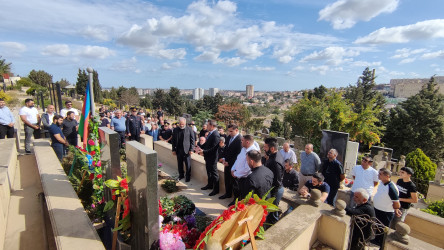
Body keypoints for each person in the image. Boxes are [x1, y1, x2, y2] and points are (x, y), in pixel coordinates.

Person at [372, 168, 401, 247]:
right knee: (378, 226)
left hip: (386, 212)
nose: (378, 175)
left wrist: (396, 209)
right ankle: (376, 240)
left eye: (380, 174)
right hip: (378, 209)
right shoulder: (381, 183)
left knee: (383, 229)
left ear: (387, 176)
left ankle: (382, 243)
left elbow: (396, 203)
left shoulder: (391, 187)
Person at [229, 134, 260, 205]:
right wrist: (233, 169)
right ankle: (235, 203)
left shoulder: (252, 152)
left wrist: (236, 174)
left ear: (247, 142)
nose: (241, 142)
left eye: (242, 140)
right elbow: (238, 159)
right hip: (237, 175)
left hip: (244, 178)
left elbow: (247, 169)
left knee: (243, 196)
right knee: (236, 190)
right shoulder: (243, 148)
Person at [264, 139, 285, 224]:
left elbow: (277, 181)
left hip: (275, 190)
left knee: (273, 214)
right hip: (273, 188)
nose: (264, 149)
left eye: (265, 147)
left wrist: (272, 195)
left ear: (272, 148)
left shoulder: (276, 162)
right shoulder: (274, 155)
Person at [196, 120, 220, 196]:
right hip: (208, 156)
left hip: (212, 158)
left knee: (214, 174)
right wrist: (200, 147)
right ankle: (210, 185)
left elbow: (214, 148)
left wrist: (204, 152)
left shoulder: (216, 135)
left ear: (212, 126)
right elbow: (207, 144)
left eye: (208, 125)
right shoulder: (211, 133)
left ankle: (216, 190)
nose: (207, 126)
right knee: (209, 172)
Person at [219, 124, 242, 200]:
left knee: (234, 182)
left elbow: (238, 155)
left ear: (236, 130)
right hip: (226, 163)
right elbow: (226, 149)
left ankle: (236, 199)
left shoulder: (240, 140)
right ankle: (227, 194)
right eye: (228, 131)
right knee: (227, 179)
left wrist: (230, 162)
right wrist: (223, 158)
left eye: (231, 131)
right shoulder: (229, 137)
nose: (229, 133)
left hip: (234, 165)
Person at [171, 117, 195, 182]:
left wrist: (191, 149)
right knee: (180, 164)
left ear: (185, 123)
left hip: (187, 150)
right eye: (180, 124)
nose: (181, 125)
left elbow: (192, 140)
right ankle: (181, 175)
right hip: (178, 150)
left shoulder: (189, 129)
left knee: (188, 164)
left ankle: (188, 176)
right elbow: (173, 140)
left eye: (182, 124)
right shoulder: (175, 130)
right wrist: (173, 149)